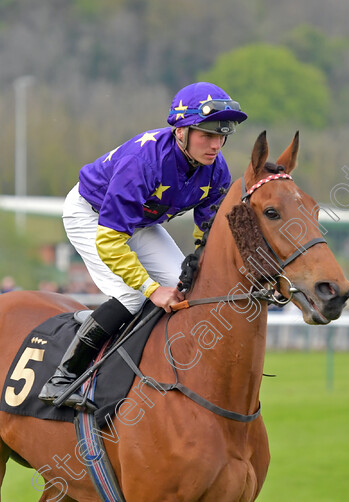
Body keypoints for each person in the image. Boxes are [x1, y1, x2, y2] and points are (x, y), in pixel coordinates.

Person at [39, 82, 247, 408]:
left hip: (139, 222)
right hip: (92, 216)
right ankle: (62, 380)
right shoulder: (143, 162)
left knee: (185, 291)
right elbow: (110, 241)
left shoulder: (216, 170)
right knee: (132, 296)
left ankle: (161, 369)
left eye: (222, 136)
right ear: (180, 132)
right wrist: (151, 289)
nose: (216, 145)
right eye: (206, 134)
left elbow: (207, 234)